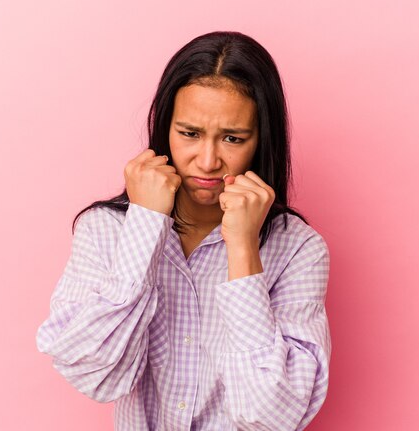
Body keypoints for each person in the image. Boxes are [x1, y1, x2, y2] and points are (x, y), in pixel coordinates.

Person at [35, 30, 331, 430]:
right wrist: (145, 224)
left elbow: (270, 416)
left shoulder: (298, 249)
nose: (207, 161)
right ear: (165, 128)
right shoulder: (107, 229)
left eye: (232, 138)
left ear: (261, 140)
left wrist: (243, 248)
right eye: (189, 134)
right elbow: (94, 374)